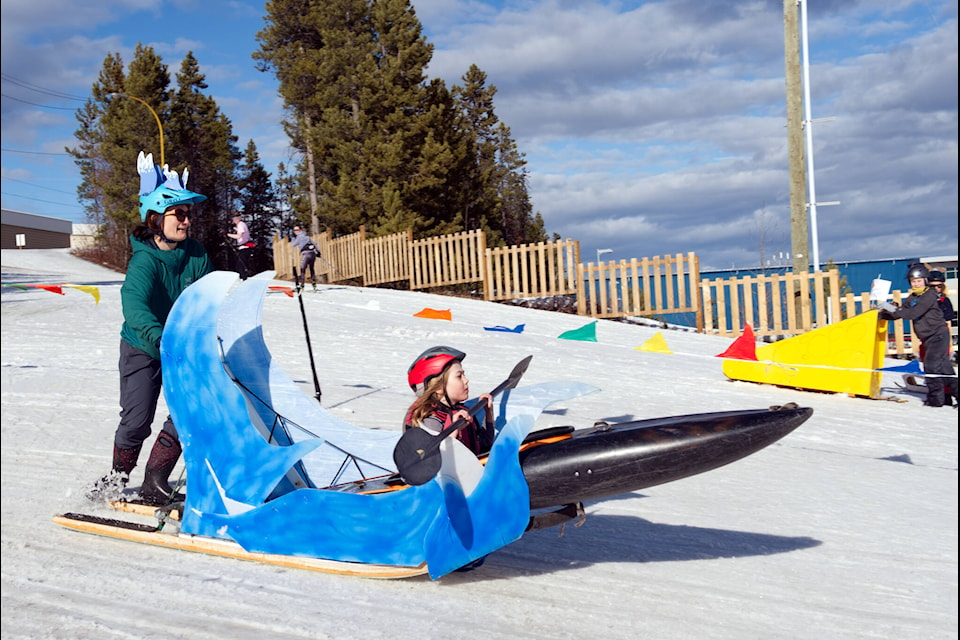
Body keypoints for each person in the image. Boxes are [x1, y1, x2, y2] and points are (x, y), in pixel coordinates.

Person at [88, 151, 211, 505]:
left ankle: (154, 480)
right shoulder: (144, 261)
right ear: (156, 218)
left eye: (189, 215)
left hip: (180, 346)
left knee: (189, 409)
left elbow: (206, 298)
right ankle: (117, 478)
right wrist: (160, 338)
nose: (187, 221)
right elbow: (135, 308)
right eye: (180, 214)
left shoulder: (197, 255)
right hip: (143, 346)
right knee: (137, 421)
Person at [878, 263, 958, 408]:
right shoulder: (913, 297)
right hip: (927, 338)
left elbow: (913, 313)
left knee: (931, 365)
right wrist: (885, 315)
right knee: (944, 368)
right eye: (913, 281)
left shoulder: (929, 295)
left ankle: (936, 399)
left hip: (938, 335)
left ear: (926, 281)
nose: (916, 284)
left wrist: (893, 309)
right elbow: (902, 311)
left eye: (919, 281)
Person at [403, 346, 495, 456]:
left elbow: (483, 447)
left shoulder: (461, 410)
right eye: (459, 376)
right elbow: (437, 464)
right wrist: (453, 431)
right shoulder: (431, 421)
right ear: (438, 388)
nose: (466, 380)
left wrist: (488, 414)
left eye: (463, 375)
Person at [927, 269, 956, 405]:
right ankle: (938, 391)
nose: (936, 289)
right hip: (927, 336)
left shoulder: (944, 300)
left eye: (939, 286)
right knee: (931, 364)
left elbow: (949, 315)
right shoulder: (925, 300)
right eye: (933, 286)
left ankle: (946, 393)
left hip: (941, 333)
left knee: (941, 363)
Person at [290, 224, 319, 291]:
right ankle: (314, 284)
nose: (295, 231)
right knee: (311, 268)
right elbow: (315, 244)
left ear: (300, 230)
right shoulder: (307, 236)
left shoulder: (299, 237)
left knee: (302, 269)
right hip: (312, 254)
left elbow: (293, 244)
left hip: (305, 254)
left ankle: (302, 285)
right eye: (294, 230)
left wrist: (293, 238)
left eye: (297, 230)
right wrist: (318, 252)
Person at [226, 212, 252, 279]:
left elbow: (239, 236)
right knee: (241, 265)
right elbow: (242, 232)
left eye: (236, 218)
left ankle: (244, 280)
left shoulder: (240, 224)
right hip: (244, 248)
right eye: (234, 218)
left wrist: (227, 234)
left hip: (245, 248)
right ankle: (244, 279)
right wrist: (235, 229)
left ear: (240, 218)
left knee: (240, 266)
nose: (234, 219)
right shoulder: (241, 225)